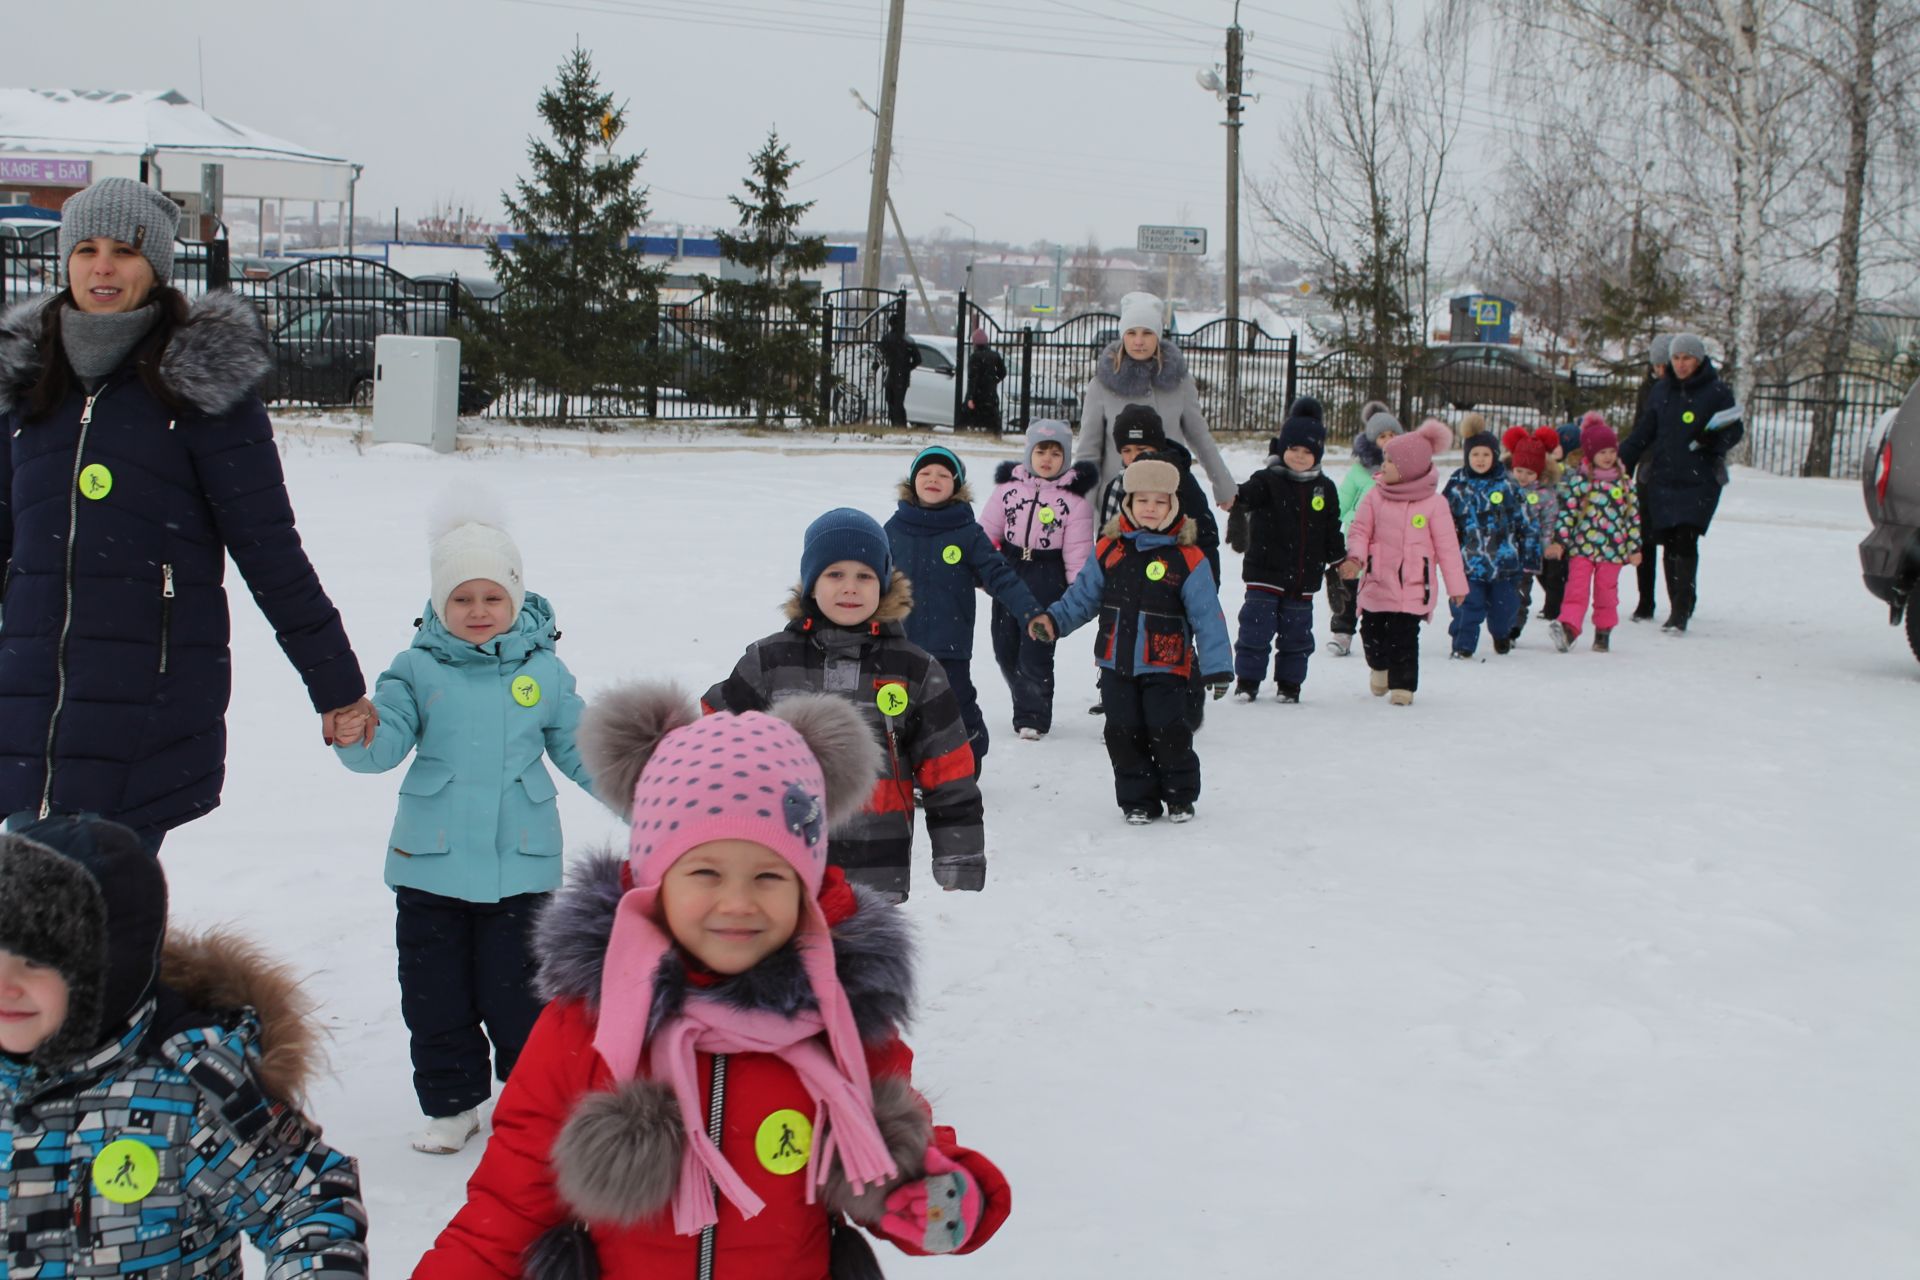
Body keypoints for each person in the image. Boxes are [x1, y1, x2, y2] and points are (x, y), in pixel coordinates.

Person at [411, 685, 1010, 1279]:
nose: (738, 902)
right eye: (705, 871)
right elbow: (513, 1200)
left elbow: (888, 1149)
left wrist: (933, 1193)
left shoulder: (842, 1016)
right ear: (653, 878)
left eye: (770, 876)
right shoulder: (590, 1020)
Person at [0, 176, 372, 853]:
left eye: (124, 250)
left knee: (105, 935)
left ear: (158, 267)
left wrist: (336, 685)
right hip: (28, 718)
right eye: (85, 249)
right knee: (33, 947)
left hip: (144, 708)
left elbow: (270, 551)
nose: (103, 266)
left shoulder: (199, 391)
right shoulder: (27, 390)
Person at [334, 498, 594, 1154]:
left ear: (516, 598)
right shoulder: (415, 669)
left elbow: (580, 748)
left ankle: (528, 1099)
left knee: (521, 999)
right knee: (434, 998)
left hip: (521, 867)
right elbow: (384, 743)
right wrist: (355, 734)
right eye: (461, 599)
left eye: (492, 597)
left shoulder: (545, 673)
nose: (478, 611)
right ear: (437, 605)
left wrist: (646, 789)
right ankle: (451, 1104)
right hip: (431, 866)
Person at [0, 816, 369, 1276]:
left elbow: (303, 1201)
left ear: (110, 968)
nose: (6, 982)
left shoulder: (191, 1091)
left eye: (37, 959)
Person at [703, 508, 984, 900]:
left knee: (858, 960)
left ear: (883, 585)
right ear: (811, 583)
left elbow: (948, 767)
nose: (850, 588)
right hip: (779, 864)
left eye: (864, 576)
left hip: (876, 866)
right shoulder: (770, 661)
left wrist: (960, 852)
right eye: (835, 574)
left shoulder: (914, 669)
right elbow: (710, 745)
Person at [1029, 459, 1233, 824]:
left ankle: (1179, 794)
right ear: (1128, 504)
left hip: (1166, 665)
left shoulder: (1188, 558)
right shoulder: (1110, 549)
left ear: (1173, 506)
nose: (1150, 509)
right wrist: (1054, 620)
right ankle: (1137, 798)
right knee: (1121, 731)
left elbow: (1208, 616)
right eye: (1142, 501)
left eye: (1159, 502)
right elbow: (1083, 597)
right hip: (1115, 662)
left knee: (1168, 729)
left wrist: (1217, 667)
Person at [885, 446, 1042, 768]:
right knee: (898, 712)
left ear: (956, 486)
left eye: (944, 475)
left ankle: (965, 767)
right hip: (900, 644)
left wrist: (1029, 611)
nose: (933, 479)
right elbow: (869, 579)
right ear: (912, 481)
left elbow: (1000, 576)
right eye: (925, 473)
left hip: (949, 644)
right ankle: (907, 774)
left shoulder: (967, 533)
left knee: (955, 708)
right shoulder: (893, 531)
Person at [978, 420, 1099, 739]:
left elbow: (1077, 550)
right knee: (1004, 645)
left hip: (1048, 575)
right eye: (1041, 451)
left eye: (1056, 453)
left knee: (1036, 647)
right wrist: (981, 566)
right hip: (1010, 571)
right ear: (1029, 453)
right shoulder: (1007, 490)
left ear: (1066, 458)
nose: (1047, 458)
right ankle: (1023, 691)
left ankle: (1032, 714)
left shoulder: (1075, 501)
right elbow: (986, 532)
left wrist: (1077, 589)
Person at [1617, 333, 1742, 633]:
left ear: (1698, 360)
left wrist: (1711, 440)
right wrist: (1620, 462)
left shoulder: (1717, 391)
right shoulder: (1662, 391)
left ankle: (1680, 610)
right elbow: (1643, 432)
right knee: (1668, 541)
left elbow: (1733, 429)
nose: (1681, 364)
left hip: (1699, 479)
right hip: (1664, 477)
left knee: (1685, 540)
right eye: (1676, 358)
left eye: (1687, 358)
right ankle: (1673, 604)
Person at [1337, 419, 1467, 707]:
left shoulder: (1434, 505)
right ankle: (1379, 666)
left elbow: (1448, 548)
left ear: (1409, 468)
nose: (1384, 466)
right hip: (1376, 582)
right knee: (1371, 634)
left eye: (1391, 462)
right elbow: (1360, 530)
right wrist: (1356, 558)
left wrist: (1456, 585)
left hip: (1412, 586)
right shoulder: (1375, 495)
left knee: (1404, 638)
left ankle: (1403, 686)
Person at [1072, 291, 1238, 509]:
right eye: (1131, 333)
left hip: (1169, 498)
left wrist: (1224, 486)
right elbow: (1088, 452)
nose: (1139, 341)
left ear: (1158, 336)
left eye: (1147, 333)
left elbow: (1199, 437)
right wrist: (1080, 507)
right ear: (1123, 335)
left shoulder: (1180, 383)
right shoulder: (1101, 385)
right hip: (1117, 501)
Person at [1226, 409, 1344, 702]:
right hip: (1264, 573)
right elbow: (1247, 494)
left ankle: (1290, 685)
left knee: (1297, 637)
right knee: (1255, 630)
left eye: (1308, 451)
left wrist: (1340, 559)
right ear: (1281, 448)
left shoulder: (1324, 488)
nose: (1300, 456)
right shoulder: (1267, 480)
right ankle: (1248, 681)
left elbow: (1332, 528)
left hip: (1303, 579)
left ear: (1318, 454)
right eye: (1293, 449)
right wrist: (1235, 497)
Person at [1547, 413, 1643, 653]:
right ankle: (1569, 629)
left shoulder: (1624, 485)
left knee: (1606, 593)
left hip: (1613, 551)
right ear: (1590, 455)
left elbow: (1633, 518)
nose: (1608, 457)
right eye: (1602, 453)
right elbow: (1568, 515)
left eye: (1611, 451)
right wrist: (1560, 541)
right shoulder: (1581, 484)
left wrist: (1634, 547)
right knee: (1576, 589)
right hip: (1583, 549)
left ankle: (1603, 631)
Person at [1442, 426, 1536, 659]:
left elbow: (1527, 523)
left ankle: (1501, 633)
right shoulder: (1457, 486)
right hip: (1469, 562)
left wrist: (1530, 556)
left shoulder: (1508, 486)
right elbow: (1443, 520)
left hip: (1504, 564)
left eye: (1486, 454)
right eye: (1475, 454)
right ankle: (1463, 644)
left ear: (1494, 456)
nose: (1480, 459)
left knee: (1504, 607)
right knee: (1466, 606)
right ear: (1467, 457)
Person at [1327, 402, 1397, 657]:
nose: (1388, 441)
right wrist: (1344, 521)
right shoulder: (1359, 472)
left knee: (1382, 589)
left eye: (1392, 436)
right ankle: (1342, 631)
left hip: (1388, 545)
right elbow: (1341, 503)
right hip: (1357, 541)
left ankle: (1383, 632)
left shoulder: (1404, 472)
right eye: (1382, 436)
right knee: (1350, 587)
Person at [1627, 335, 1673, 621]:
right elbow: (1639, 429)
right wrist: (1629, 466)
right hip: (1647, 471)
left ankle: (1680, 602)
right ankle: (1646, 601)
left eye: (1663, 365)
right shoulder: (1648, 389)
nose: (1660, 371)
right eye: (1655, 365)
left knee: (1675, 542)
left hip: (1674, 474)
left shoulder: (1683, 393)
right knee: (1644, 539)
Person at [1501, 428, 1560, 646]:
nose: (1523, 477)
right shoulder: (1505, 486)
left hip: (1528, 552)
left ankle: (1513, 628)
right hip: (1504, 550)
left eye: (1529, 473)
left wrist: (1545, 544)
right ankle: (1501, 621)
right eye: (1519, 470)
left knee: (1521, 591)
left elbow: (1548, 523)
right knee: (1502, 590)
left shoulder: (1545, 494)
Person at [1531, 424, 1573, 624]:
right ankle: (1558, 600)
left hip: (1561, 529)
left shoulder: (1569, 472)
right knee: (1541, 570)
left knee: (1557, 570)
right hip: (1540, 527)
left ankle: (1553, 608)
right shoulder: (1538, 468)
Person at [877, 310, 920, 428]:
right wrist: (907, 368)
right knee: (899, 403)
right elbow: (918, 359)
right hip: (903, 377)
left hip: (890, 375)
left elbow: (879, 356)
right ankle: (901, 424)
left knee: (891, 402)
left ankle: (895, 424)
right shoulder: (908, 340)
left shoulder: (886, 339)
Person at [963, 327, 1006, 431]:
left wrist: (970, 397)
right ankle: (994, 432)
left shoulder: (974, 357)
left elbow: (972, 378)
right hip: (990, 393)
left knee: (972, 416)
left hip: (978, 393)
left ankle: (972, 429)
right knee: (992, 416)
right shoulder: (995, 355)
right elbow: (1003, 372)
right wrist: (995, 380)